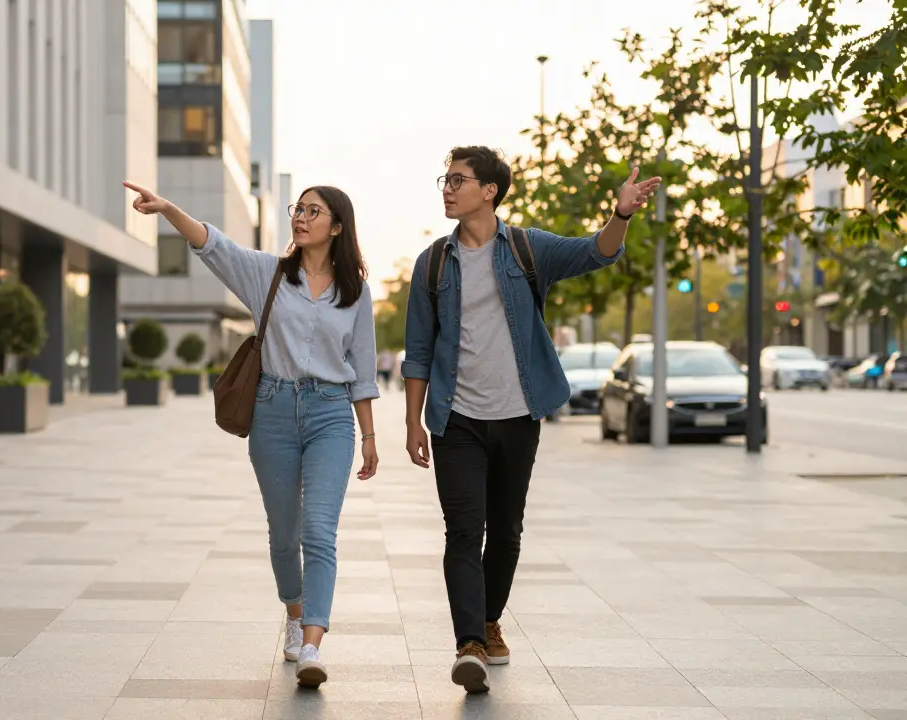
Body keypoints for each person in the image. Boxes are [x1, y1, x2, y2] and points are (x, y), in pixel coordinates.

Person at [400, 146, 659, 693]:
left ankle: (490, 618)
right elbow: (418, 350)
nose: (447, 189)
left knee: (507, 532)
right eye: (445, 180)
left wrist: (621, 214)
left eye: (458, 180)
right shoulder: (433, 263)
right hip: (456, 419)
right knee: (463, 531)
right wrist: (412, 421)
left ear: (489, 190)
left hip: (518, 415)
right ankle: (470, 643)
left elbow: (596, 252)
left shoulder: (525, 247)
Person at [124, 180, 381, 689]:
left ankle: (312, 645)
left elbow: (364, 368)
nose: (301, 217)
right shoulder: (268, 274)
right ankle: (294, 613)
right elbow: (213, 245)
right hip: (273, 411)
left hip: (331, 414)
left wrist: (369, 436)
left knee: (319, 530)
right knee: (284, 533)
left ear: (337, 226)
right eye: (298, 209)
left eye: (313, 211)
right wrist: (169, 208)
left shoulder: (355, 292)